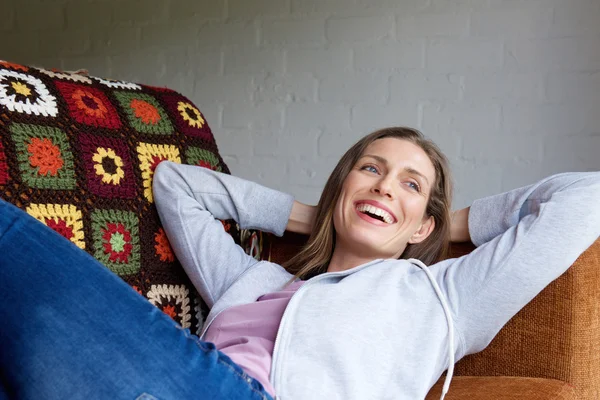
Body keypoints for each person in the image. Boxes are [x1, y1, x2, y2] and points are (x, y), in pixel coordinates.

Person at [1, 127, 599, 400]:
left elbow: (586, 198)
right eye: (370, 169)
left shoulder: (446, 297)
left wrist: (447, 229)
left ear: (424, 222)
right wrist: (314, 216)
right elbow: (175, 185)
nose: (385, 185)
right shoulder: (252, 279)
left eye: (410, 183)